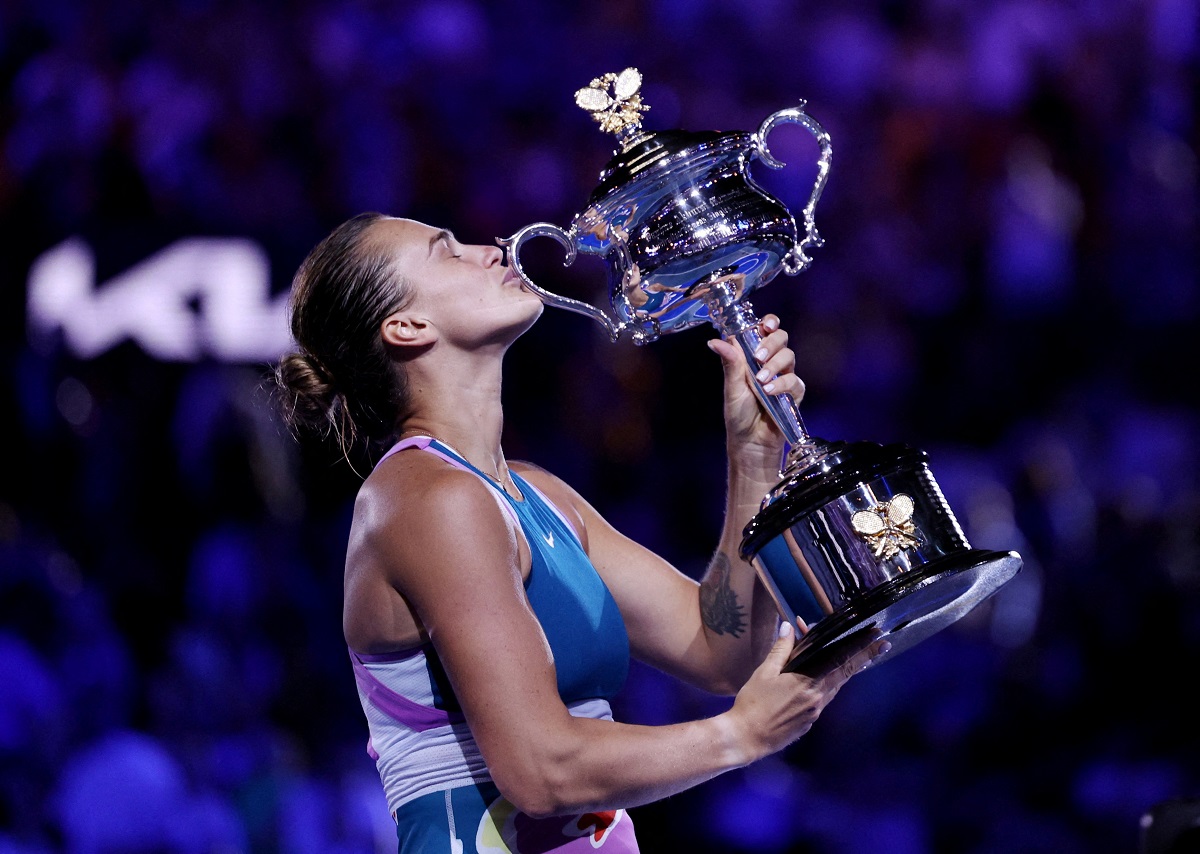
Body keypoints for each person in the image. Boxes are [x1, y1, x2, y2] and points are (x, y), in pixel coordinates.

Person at [272, 211, 890, 853]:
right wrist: (740, 736)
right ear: (407, 327)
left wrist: (755, 458)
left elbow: (717, 647)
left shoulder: (535, 493)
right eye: (447, 251)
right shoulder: (428, 500)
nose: (490, 248)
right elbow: (540, 770)